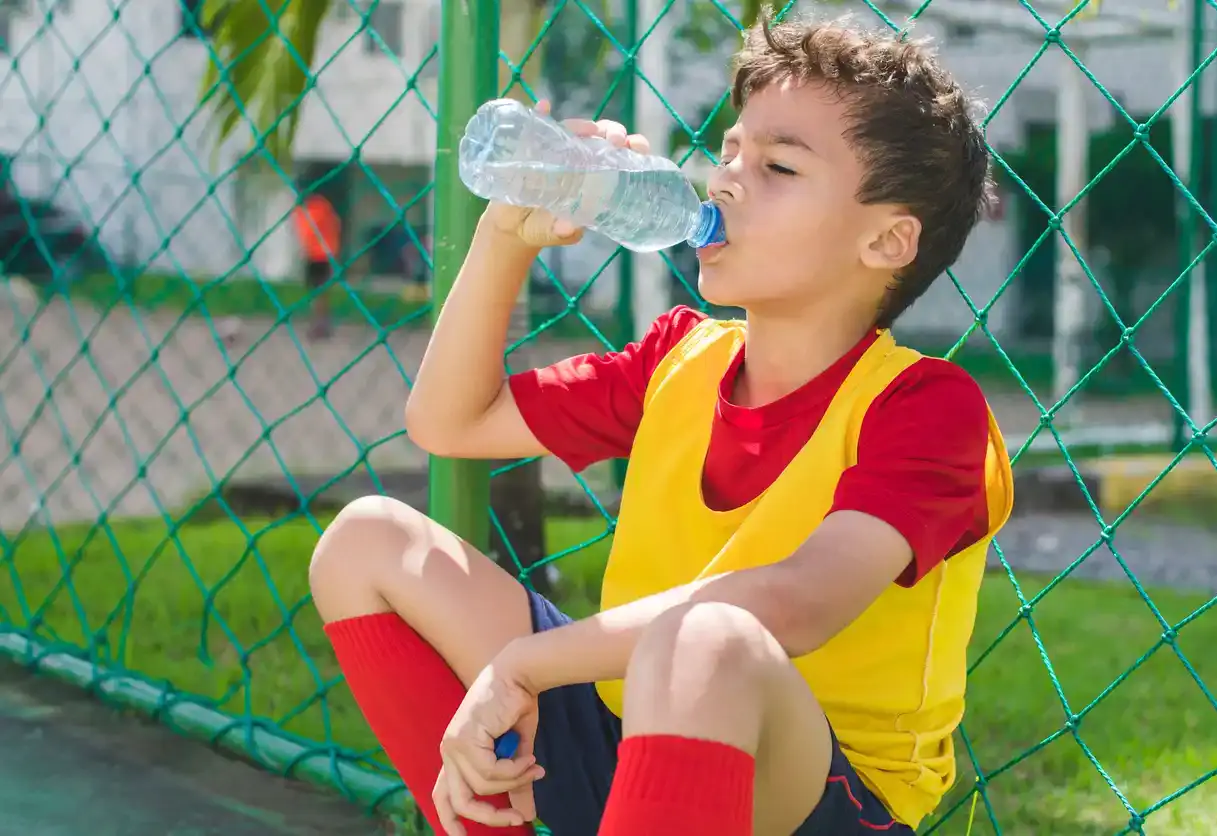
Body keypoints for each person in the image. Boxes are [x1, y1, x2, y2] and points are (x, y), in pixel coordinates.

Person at [308, 14, 1013, 836]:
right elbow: (448, 420)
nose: (725, 182)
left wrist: (527, 663)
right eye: (730, 152)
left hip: (815, 792)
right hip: (625, 721)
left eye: (779, 166)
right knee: (367, 543)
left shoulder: (926, 407)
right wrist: (507, 235)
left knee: (710, 642)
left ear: (887, 241)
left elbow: (797, 603)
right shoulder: (680, 355)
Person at [292, 191, 341, 340]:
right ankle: (320, 323)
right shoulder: (311, 208)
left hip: (319, 254)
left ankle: (320, 325)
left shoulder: (316, 208)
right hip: (318, 254)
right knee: (318, 291)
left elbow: (309, 232)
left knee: (318, 291)